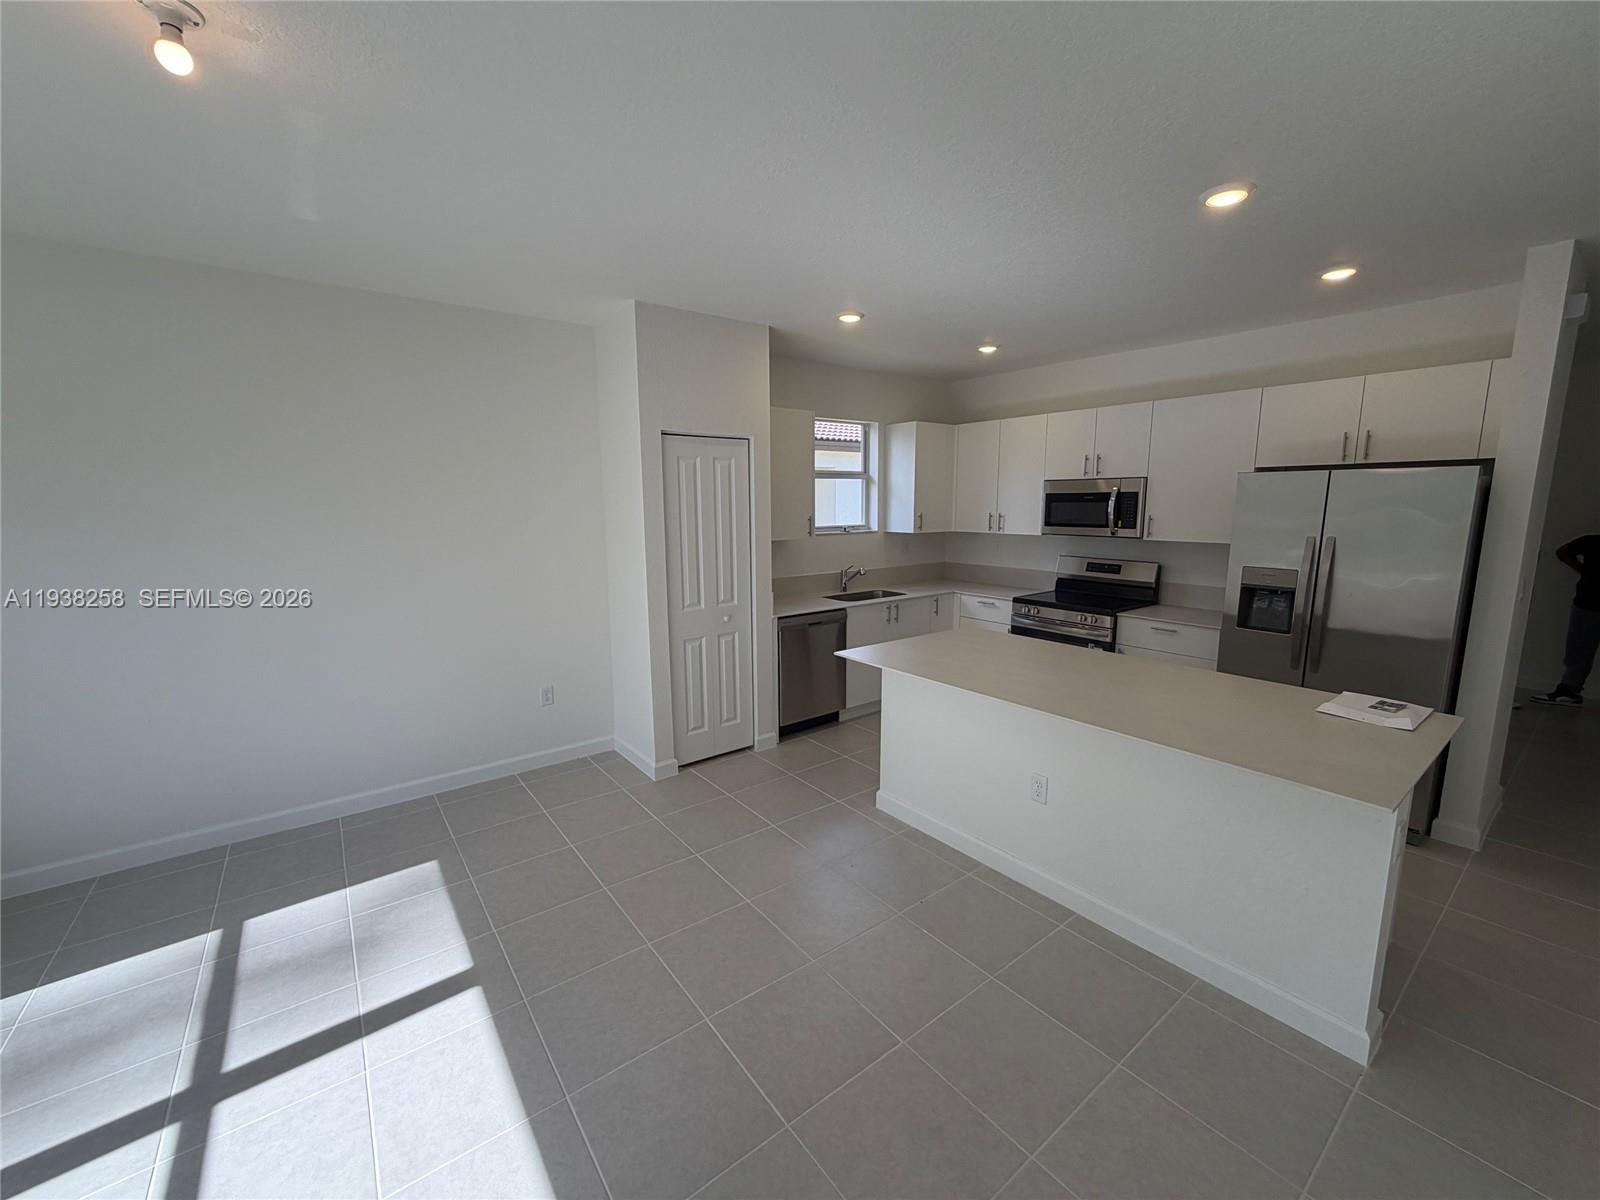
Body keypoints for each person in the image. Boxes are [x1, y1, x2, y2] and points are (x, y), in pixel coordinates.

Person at [1531, 533, 1600, 707]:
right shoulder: (1591, 541)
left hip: (1588, 601)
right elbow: (1562, 552)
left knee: (1579, 649)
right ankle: (1569, 690)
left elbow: (1562, 552)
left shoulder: (1592, 541)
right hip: (1588, 602)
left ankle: (1570, 690)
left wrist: (1584, 571)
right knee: (1578, 649)